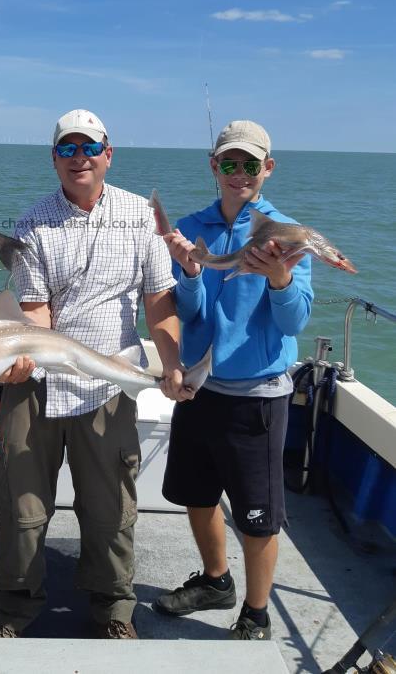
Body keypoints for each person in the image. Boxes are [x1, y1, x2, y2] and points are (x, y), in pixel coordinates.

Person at [0, 109, 187, 640]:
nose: (80, 158)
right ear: (54, 159)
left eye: (89, 147)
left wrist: (172, 365)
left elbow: (159, 303)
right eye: (67, 149)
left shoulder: (141, 216)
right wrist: (24, 356)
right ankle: (13, 609)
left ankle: (114, 610)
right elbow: (34, 311)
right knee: (23, 508)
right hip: (39, 385)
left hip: (110, 378)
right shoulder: (33, 223)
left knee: (110, 508)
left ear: (108, 153)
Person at [155, 120, 313, 640]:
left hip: (258, 399)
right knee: (197, 496)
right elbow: (191, 313)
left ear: (267, 168)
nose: (239, 173)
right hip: (199, 390)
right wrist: (193, 274)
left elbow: (294, 323)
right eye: (230, 163)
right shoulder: (190, 226)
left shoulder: (286, 234)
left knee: (258, 516)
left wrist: (280, 279)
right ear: (214, 166)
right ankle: (216, 581)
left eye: (250, 164)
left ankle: (257, 611)